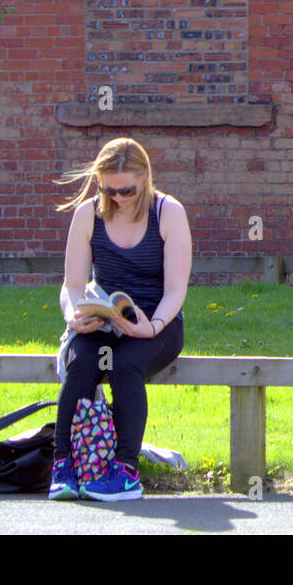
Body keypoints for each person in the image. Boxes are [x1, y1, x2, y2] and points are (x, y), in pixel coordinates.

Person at [47, 138, 192, 501]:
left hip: (157, 322)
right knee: (81, 361)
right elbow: (73, 285)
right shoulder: (88, 214)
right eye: (108, 189)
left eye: (126, 189)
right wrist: (74, 316)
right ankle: (63, 465)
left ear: (143, 179)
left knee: (125, 364)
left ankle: (125, 471)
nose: (118, 198)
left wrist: (152, 327)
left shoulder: (168, 212)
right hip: (104, 320)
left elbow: (176, 290)